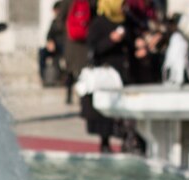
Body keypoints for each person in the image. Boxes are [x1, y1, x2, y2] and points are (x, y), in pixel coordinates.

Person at [80, 0, 143, 153]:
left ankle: (129, 140)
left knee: (127, 110)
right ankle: (105, 142)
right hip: (108, 75)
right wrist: (110, 40)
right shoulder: (98, 24)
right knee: (106, 112)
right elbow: (93, 49)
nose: (123, 8)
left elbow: (133, 39)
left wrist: (139, 45)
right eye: (120, 4)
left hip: (126, 73)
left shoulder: (127, 20)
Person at [58, 0, 96, 103]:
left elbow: (60, 20)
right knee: (83, 70)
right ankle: (82, 97)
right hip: (85, 40)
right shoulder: (91, 2)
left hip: (71, 40)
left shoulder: (66, 2)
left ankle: (69, 96)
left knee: (70, 69)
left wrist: (69, 30)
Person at [38, 2, 65, 86]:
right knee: (42, 52)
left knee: (58, 57)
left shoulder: (66, 21)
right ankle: (43, 77)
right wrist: (50, 42)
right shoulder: (54, 22)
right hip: (54, 46)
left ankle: (60, 77)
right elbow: (49, 35)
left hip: (63, 46)